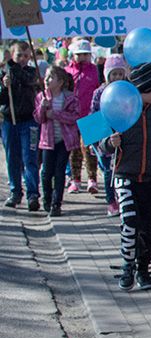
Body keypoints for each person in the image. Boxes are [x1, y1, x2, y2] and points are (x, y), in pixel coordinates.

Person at [99, 63, 151, 292]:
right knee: (129, 222)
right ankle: (127, 266)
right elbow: (100, 143)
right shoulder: (120, 107)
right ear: (144, 87)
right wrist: (110, 143)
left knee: (147, 225)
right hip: (124, 176)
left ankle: (143, 269)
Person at [34, 66, 79, 217]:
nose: (46, 80)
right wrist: (42, 108)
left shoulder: (70, 98)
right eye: (46, 77)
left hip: (64, 141)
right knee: (46, 172)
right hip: (48, 141)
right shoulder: (42, 97)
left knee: (59, 172)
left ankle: (56, 203)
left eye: (51, 77)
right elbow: (39, 119)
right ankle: (46, 199)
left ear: (60, 82)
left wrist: (56, 114)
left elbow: (75, 117)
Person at [0, 40, 41, 210]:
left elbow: (27, 81)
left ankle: (33, 195)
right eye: (19, 55)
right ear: (12, 54)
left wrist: (12, 67)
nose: (22, 59)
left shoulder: (31, 72)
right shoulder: (4, 74)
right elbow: (2, 100)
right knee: (12, 158)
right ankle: (15, 192)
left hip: (28, 121)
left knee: (30, 158)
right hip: (10, 122)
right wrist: (3, 86)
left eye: (26, 56)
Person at [90, 54, 129, 217]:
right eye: (114, 74)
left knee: (121, 168)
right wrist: (95, 139)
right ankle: (110, 201)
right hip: (105, 134)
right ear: (107, 75)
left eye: (120, 73)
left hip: (123, 133)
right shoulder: (100, 92)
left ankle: (121, 198)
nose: (117, 77)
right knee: (107, 169)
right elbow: (93, 113)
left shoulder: (128, 90)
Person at [65, 39, 100, 195]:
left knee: (90, 149)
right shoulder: (68, 71)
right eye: (79, 55)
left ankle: (92, 179)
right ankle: (75, 180)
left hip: (91, 115)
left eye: (86, 54)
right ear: (73, 55)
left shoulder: (95, 70)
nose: (83, 57)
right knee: (74, 150)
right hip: (72, 117)